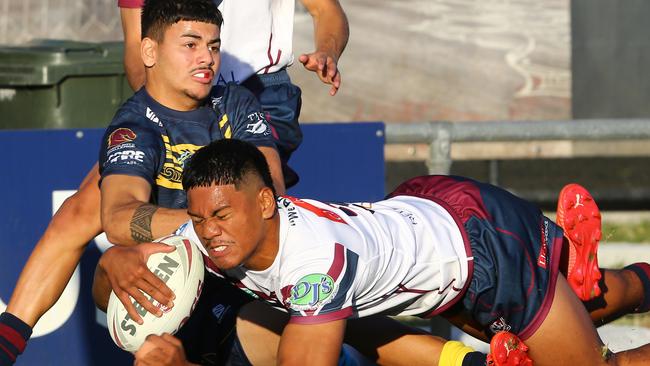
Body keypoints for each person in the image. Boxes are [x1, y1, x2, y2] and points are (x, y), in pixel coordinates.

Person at [135, 138, 650, 366]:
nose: (209, 233)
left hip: (484, 254)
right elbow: (111, 274)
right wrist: (117, 264)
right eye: (199, 220)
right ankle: (574, 272)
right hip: (433, 215)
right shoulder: (212, 233)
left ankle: (567, 278)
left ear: (267, 202)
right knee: (585, 307)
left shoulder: (316, 266)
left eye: (220, 218)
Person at [118, 0, 350, 186]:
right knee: (105, 190)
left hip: (262, 90)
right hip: (181, 96)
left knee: (240, 185)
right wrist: (160, 109)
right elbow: (135, 47)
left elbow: (325, 9)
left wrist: (327, 51)